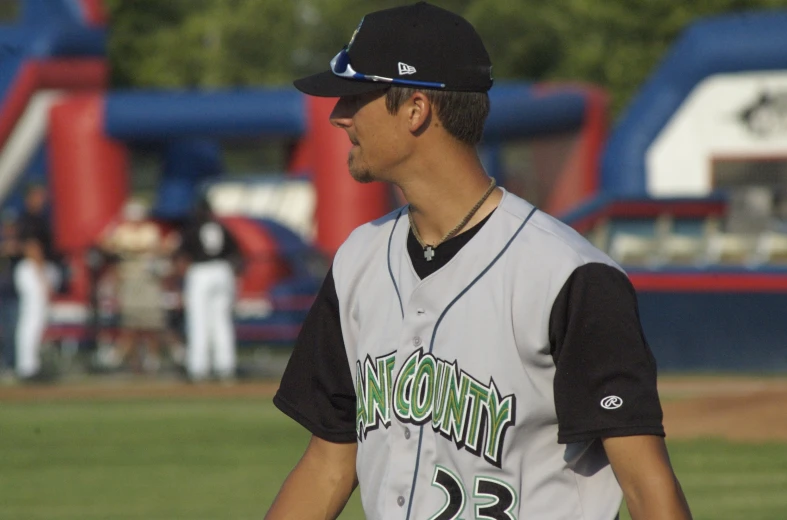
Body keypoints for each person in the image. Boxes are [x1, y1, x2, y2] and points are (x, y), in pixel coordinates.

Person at [267, 3, 693, 520]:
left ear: (416, 109)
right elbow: (327, 464)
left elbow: (648, 488)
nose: (339, 115)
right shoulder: (358, 259)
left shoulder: (569, 275)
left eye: (358, 95)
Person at [178, 197, 240, 382]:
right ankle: (225, 366)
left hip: (200, 271)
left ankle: (198, 367)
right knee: (222, 322)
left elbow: (182, 255)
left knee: (198, 321)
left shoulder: (192, 228)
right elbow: (235, 254)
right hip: (223, 270)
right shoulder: (221, 228)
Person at [14, 184, 60, 380]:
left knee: (37, 319)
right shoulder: (29, 219)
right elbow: (32, 248)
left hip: (37, 269)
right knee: (32, 319)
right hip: (33, 269)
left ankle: (31, 365)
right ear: (30, 197)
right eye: (39, 195)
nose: (43, 198)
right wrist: (43, 278)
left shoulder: (38, 218)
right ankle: (27, 367)